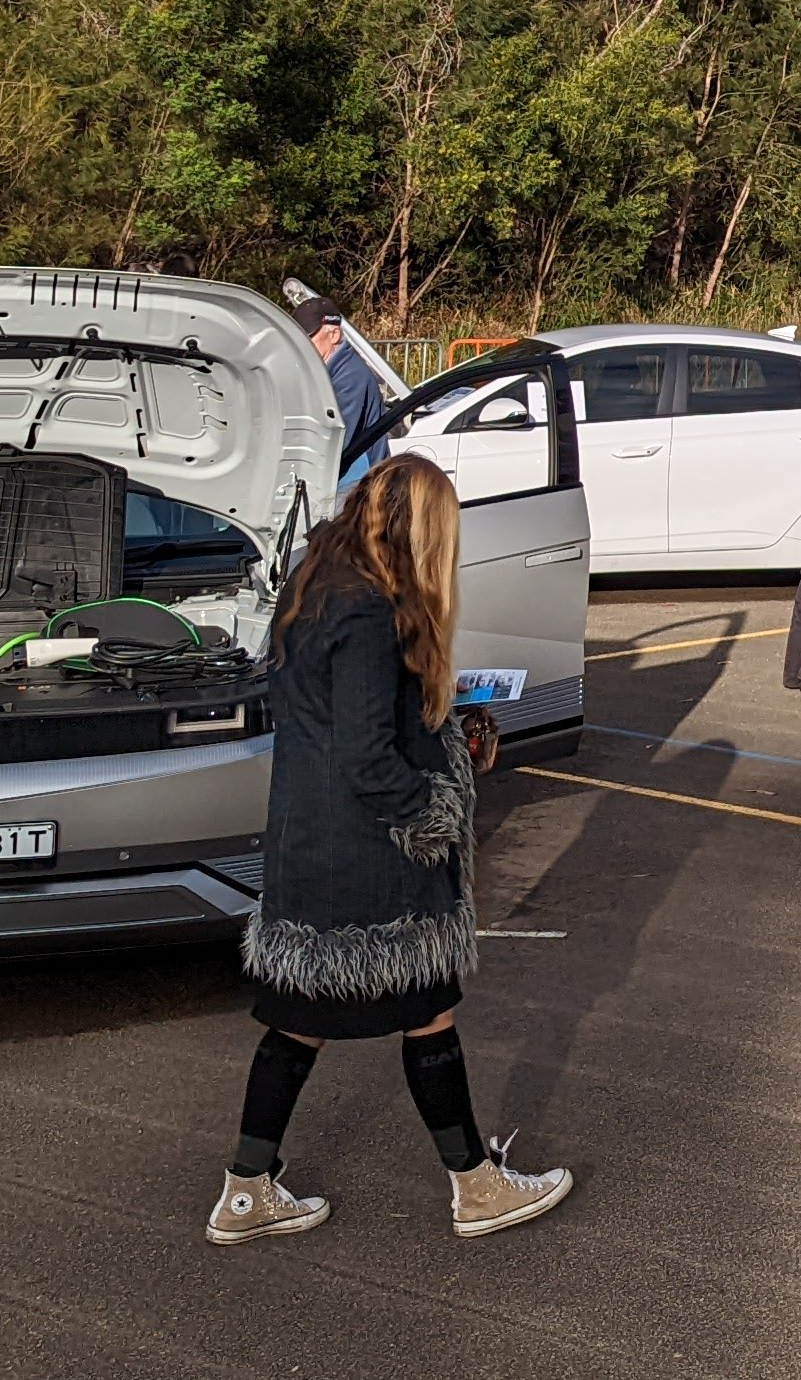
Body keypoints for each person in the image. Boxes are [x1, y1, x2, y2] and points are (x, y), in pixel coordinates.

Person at [211, 453, 573, 1245]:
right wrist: (436, 808)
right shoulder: (372, 611)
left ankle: (245, 1192)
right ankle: (475, 1188)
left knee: (298, 1020)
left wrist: (450, 729)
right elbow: (369, 760)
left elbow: (347, 726)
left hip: (308, 849)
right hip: (373, 859)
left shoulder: (312, 588)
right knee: (429, 1013)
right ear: (418, 530)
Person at [299, 295, 389, 476]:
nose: (301, 346)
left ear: (334, 335)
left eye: (308, 338)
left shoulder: (351, 376)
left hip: (360, 483)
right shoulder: (323, 372)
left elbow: (335, 441)